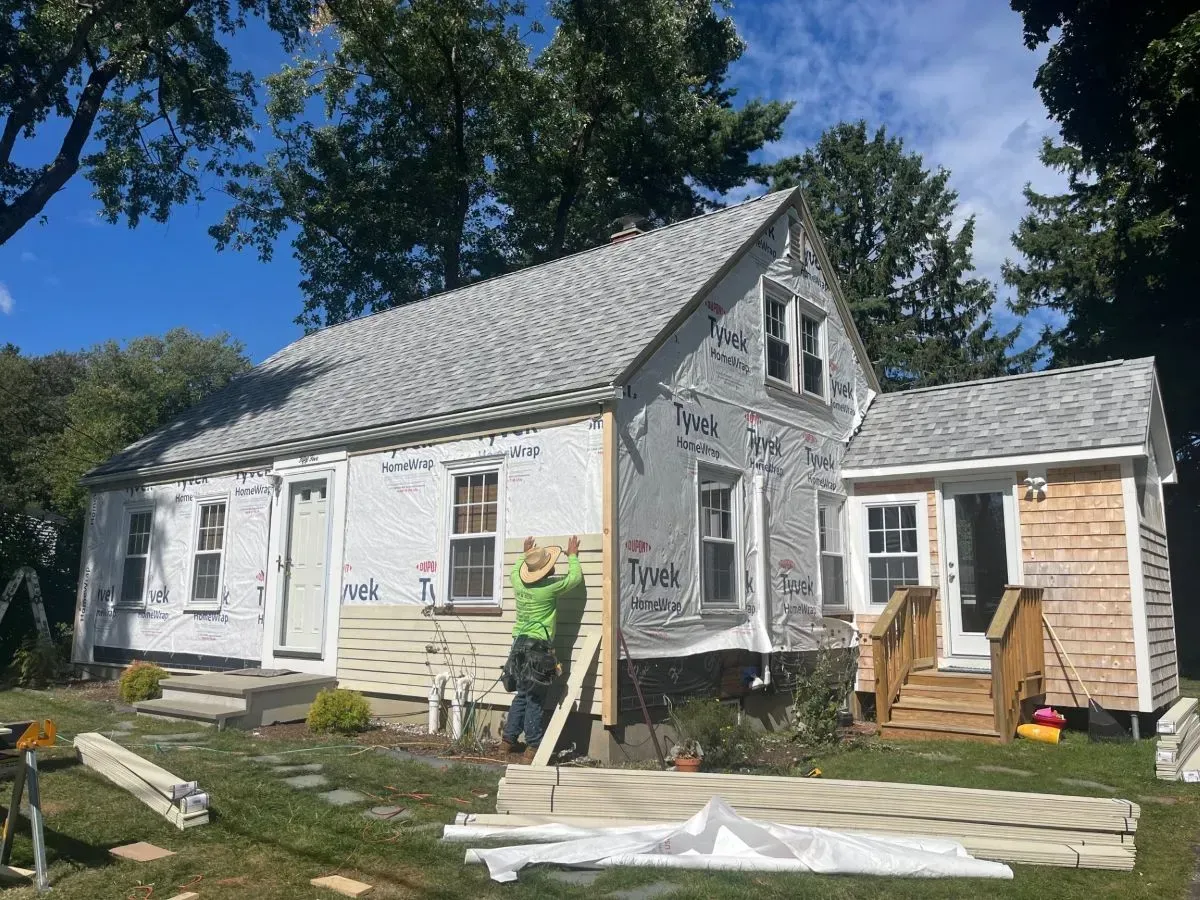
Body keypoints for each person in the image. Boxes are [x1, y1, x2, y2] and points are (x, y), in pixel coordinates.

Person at [500, 535, 582, 759]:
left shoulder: (518, 582)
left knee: (522, 694)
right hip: (537, 649)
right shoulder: (548, 589)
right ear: (545, 572)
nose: (553, 565)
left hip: (518, 646)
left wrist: (524, 554)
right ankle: (533, 746)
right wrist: (573, 556)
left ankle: (508, 740)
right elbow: (574, 579)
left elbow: (515, 571)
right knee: (535, 697)